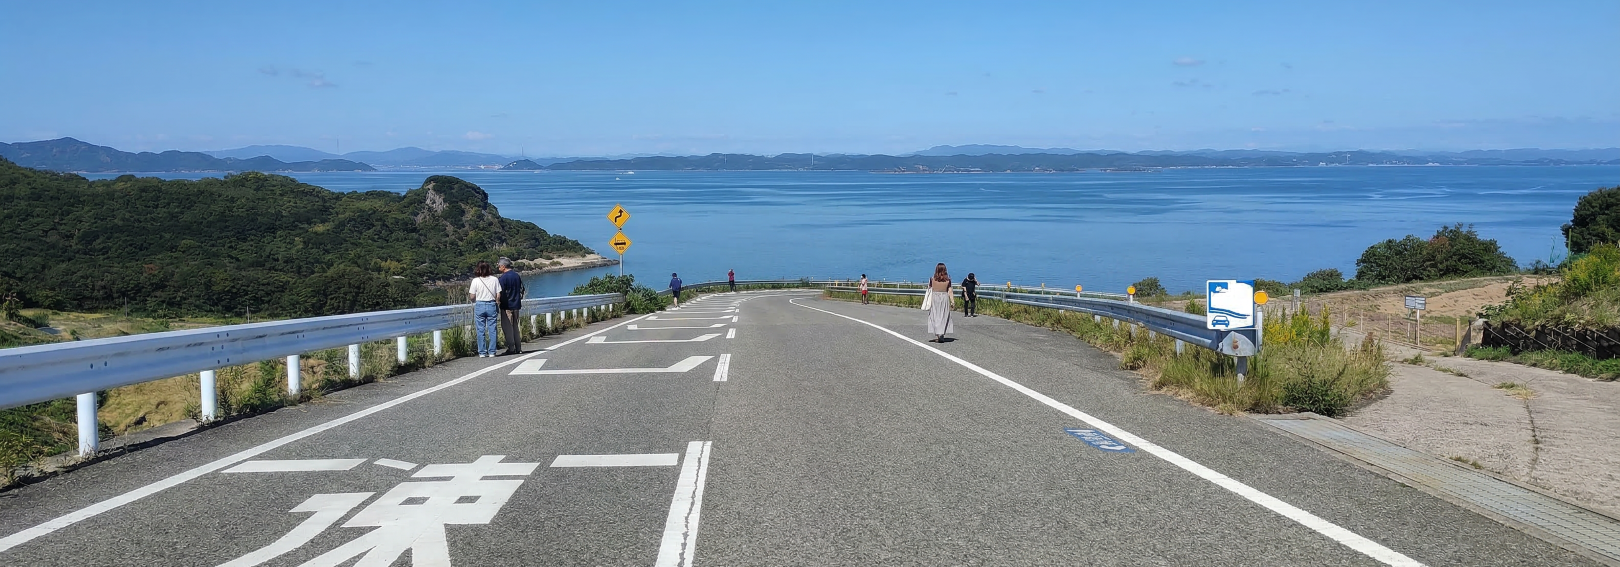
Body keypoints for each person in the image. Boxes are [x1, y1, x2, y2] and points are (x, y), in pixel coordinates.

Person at [467, 261, 502, 358]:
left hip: (480, 305)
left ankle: (482, 352)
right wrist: (497, 301)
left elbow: (472, 296)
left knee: (480, 330)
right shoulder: (495, 279)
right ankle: (492, 351)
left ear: (478, 269)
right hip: (491, 304)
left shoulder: (475, 281)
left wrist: (474, 299)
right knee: (492, 329)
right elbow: (498, 294)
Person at [496, 257, 526, 355]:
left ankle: (511, 348)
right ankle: (519, 347)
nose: (498, 267)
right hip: (516, 304)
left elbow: (500, 292)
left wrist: (498, 302)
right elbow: (521, 289)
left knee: (508, 327)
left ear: (503, 266)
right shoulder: (516, 275)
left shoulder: (503, 278)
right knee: (515, 327)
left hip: (506, 306)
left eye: (499, 266)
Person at [924, 263, 955, 342]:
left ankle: (938, 334)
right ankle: (942, 334)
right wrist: (952, 302)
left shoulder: (932, 279)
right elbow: (950, 291)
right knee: (943, 316)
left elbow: (929, 289)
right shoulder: (948, 280)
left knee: (934, 316)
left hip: (934, 298)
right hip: (944, 298)